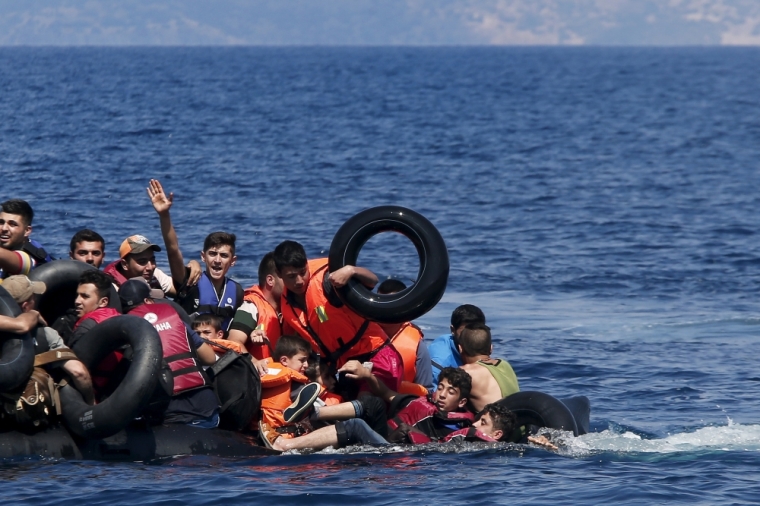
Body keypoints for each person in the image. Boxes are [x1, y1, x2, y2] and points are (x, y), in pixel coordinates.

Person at [274, 240, 402, 394]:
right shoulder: (286, 302)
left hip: (375, 354)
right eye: (291, 276)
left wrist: (351, 270)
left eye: (303, 272)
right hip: (344, 365)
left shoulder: (329, 281)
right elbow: (291, 344)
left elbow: (373, 281)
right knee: (344, 408)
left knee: (367, 405)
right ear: (279, 274)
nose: (299, 281)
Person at [120, 279, 220, 427]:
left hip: (170, 415)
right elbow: (210, 358)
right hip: (206, 409)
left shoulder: (123, 330)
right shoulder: (176, 319)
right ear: (148, 300)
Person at [146, 179, 242, 329]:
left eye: (224, 256)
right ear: (203, 257)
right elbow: (173, 250)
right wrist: (164, 215)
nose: (217, 260)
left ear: (233, 260)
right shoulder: (190, 281)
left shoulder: (237, 291)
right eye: (212, 254)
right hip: (192, 348)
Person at [0, 275, 95, 405]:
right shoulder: (45, 334)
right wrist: (91, 403)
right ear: (26, 306)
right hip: (29, 414)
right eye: (34, 297)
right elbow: (78, 372)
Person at [257, 334, 323, 446]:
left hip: (262, 437)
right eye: (302, 360)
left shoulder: (261, 373)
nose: (306, 365)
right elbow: (319, 410)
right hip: (284, 439)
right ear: (284, 360)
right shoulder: (297, 386)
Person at [376, 279, 432, 393]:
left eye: (391, 305)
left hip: (402, 404)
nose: (384, 310)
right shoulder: (361, 333)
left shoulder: (418, 346)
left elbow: (427, 390)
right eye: (381, 304)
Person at [228, 252, 284, 360]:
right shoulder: (250, 306)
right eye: (285, 277)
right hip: (258, 375)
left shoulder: (288, 308)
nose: (292, 282)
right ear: (270, 280)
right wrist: (254, 363)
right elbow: (233, 342)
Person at [458, 323, 519, 412]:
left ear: (460, 348)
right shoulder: (505, 364)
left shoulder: (465, 372)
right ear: (491, 348)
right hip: (520, 421)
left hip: (495, 425)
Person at [427, 304, 486, 386]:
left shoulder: (481, 342)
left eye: (477, 330)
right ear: (453, 330)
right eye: (465, 332)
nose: (472, 336)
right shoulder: (441, 362)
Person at [0, 199, 52, 279]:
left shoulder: (32, 256)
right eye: (1, 222)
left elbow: (18, 262)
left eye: (12, 224)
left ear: (27, 231)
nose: (4, 228)